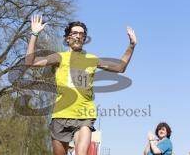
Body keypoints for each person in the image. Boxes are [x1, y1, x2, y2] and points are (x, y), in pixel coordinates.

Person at [25, 15, 137, 155]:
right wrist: (34, 34)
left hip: (85, 114)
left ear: (84, 39)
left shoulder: (92, 59)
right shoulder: (59, 57)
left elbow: (120, 67)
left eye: (81, 34)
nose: (78, 36)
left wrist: (131, 46)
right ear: (68, 38)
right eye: (74, 33)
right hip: (61, 114)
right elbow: (30, 62)